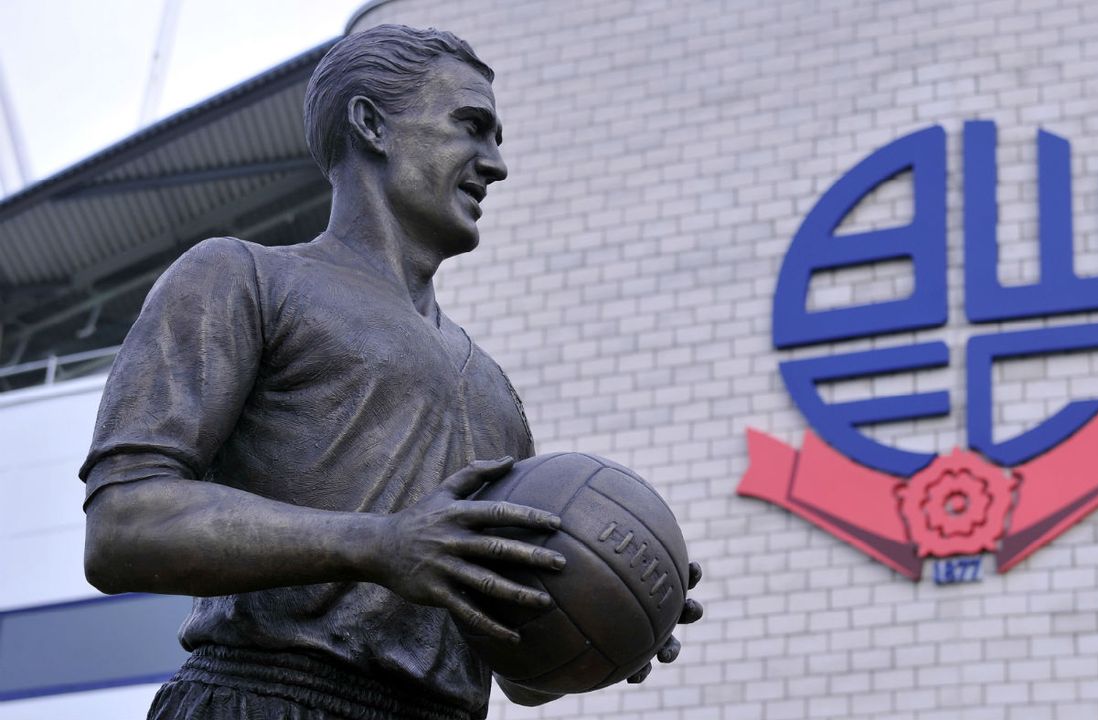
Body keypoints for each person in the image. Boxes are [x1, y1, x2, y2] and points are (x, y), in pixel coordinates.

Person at [80, 24, 701, 720]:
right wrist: (381, 542)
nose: (495, 164)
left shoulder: (497, 394)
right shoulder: (241, 277)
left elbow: (517, 675)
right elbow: (123, 528)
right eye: (472, 127)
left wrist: (609, 618)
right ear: (371, 124)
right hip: (263, 697)